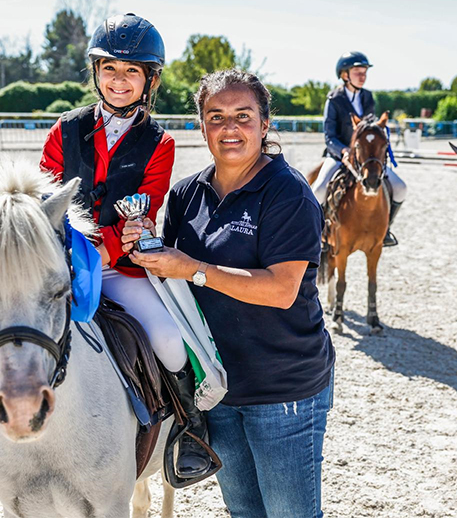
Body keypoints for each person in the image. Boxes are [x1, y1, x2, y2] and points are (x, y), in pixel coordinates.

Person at [0, 13, 213, 484]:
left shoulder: (160, 143)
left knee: (168, 341)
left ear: (149, 80)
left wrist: (121, 241)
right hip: (59, 260)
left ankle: (189, 427)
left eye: (132, 71)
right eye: (110, 69)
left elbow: (145, 209)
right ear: (96, 73)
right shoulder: (64, 130)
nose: (119, 80)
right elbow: (43, 199)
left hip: (124, 268)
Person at [123, 69, 336, 518]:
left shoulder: (288, 193)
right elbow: (174, 278)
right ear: (201, 125)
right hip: (217, 386)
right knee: (243, 512)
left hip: (283, 389)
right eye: (216, 116)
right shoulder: (186, 194)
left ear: (265, 123)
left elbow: (281, 290)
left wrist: (195, 268)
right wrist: (143, 245)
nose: (230, 128)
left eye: (243, 115)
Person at [312, 51, 407, 246]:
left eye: (364, 72)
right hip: (338, 156)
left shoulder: (368, 97)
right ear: (345, 75)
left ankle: (385, 229)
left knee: (400, 188)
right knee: (318, 190)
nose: (362, 76)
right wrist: (344, 151)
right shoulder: (334, 99)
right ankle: (316, 233)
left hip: (365, 158)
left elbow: (369, 129)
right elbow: (329, 136)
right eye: (357, 72)